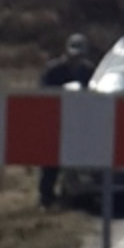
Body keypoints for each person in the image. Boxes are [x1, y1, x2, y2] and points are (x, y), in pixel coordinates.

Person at [37, 33, 95, 208]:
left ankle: (77, 194)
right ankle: (46, 197)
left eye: (80, 54)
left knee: (79, 159)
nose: (76, 58)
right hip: (55, 119)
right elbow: (43, 93)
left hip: (80, 120)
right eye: (73, 53)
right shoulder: (53, 70)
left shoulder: (88, 71)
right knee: (51, 159)